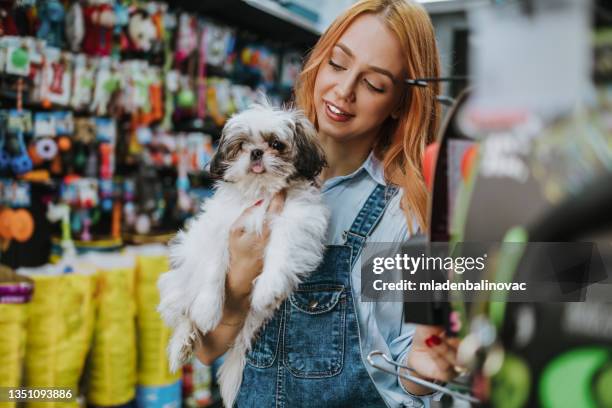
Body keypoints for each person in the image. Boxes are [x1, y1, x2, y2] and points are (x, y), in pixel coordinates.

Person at [194, 0, 459, 406]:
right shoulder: (252, 176)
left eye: (374, 84)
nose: (344, 91)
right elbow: (206, 349)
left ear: (401, 104)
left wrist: (422, 371)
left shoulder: (406, 215)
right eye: (337, 64)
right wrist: (239, 281)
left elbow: (411, 368)